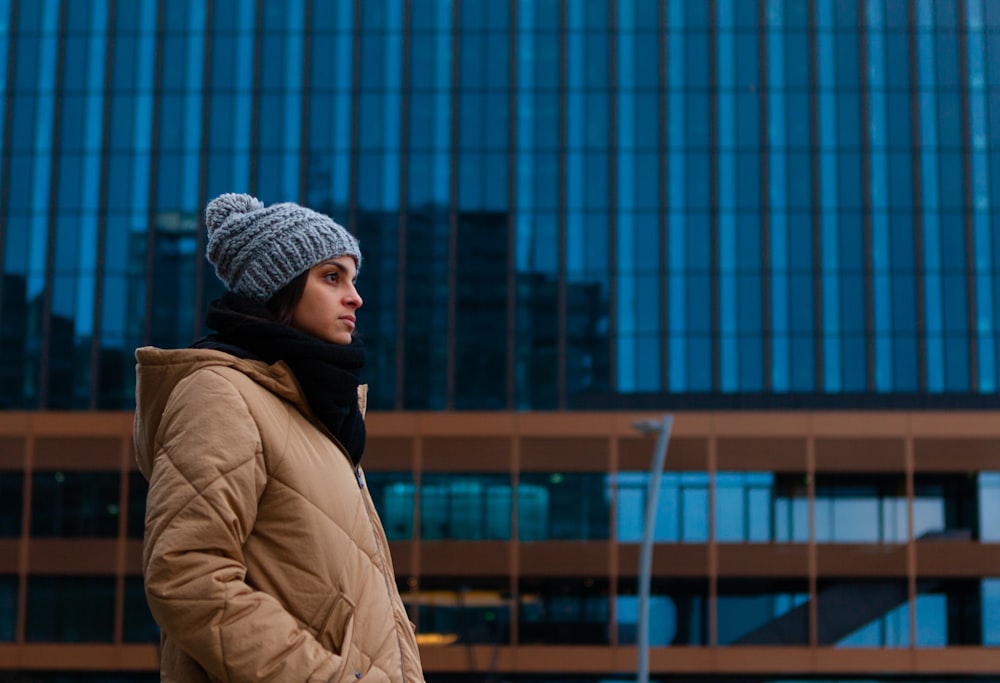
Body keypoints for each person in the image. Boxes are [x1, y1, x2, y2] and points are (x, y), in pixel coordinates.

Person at [133, 193, 424, 682]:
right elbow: (186, 576)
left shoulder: (314, 414)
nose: (355, 297)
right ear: (278, 288)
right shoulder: (220, 395)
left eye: (353, 279)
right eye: (332, 277)